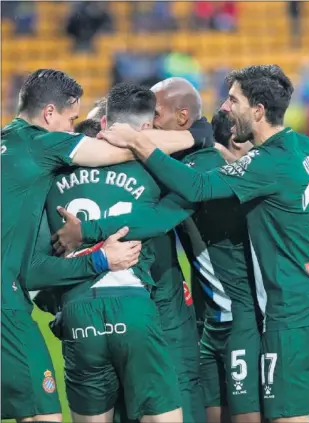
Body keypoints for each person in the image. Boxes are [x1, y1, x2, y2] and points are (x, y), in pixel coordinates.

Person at [96, 65, 309, 423]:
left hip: (294, 318)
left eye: (234, 100)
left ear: (258, 110)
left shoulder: (266, 162)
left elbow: (199, 188)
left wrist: (139, 142)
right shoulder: (302, 145)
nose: (226, 107)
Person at [1, 68, 212, 423]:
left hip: (70, 313)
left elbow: (36, 268)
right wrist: (196, 135)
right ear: (49, 113)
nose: (72, 128)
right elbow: (128, 152)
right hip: (122, 305)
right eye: (70, 119)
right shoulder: (43, 144)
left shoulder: (20, 153)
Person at [53, 80, 262, 423]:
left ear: (181, 117)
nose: (148, 123)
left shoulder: (201, 167)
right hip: (208, 323)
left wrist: (86, 230)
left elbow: (156, 217)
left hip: (239, 318)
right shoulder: (168, 163)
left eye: (155, 114)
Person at [45, 83, 183, 423]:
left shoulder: (54, 172)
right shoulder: (154, 170)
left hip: (77, 308)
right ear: (147, 128)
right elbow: (191, 194)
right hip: (131, 301)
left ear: (104, 122)